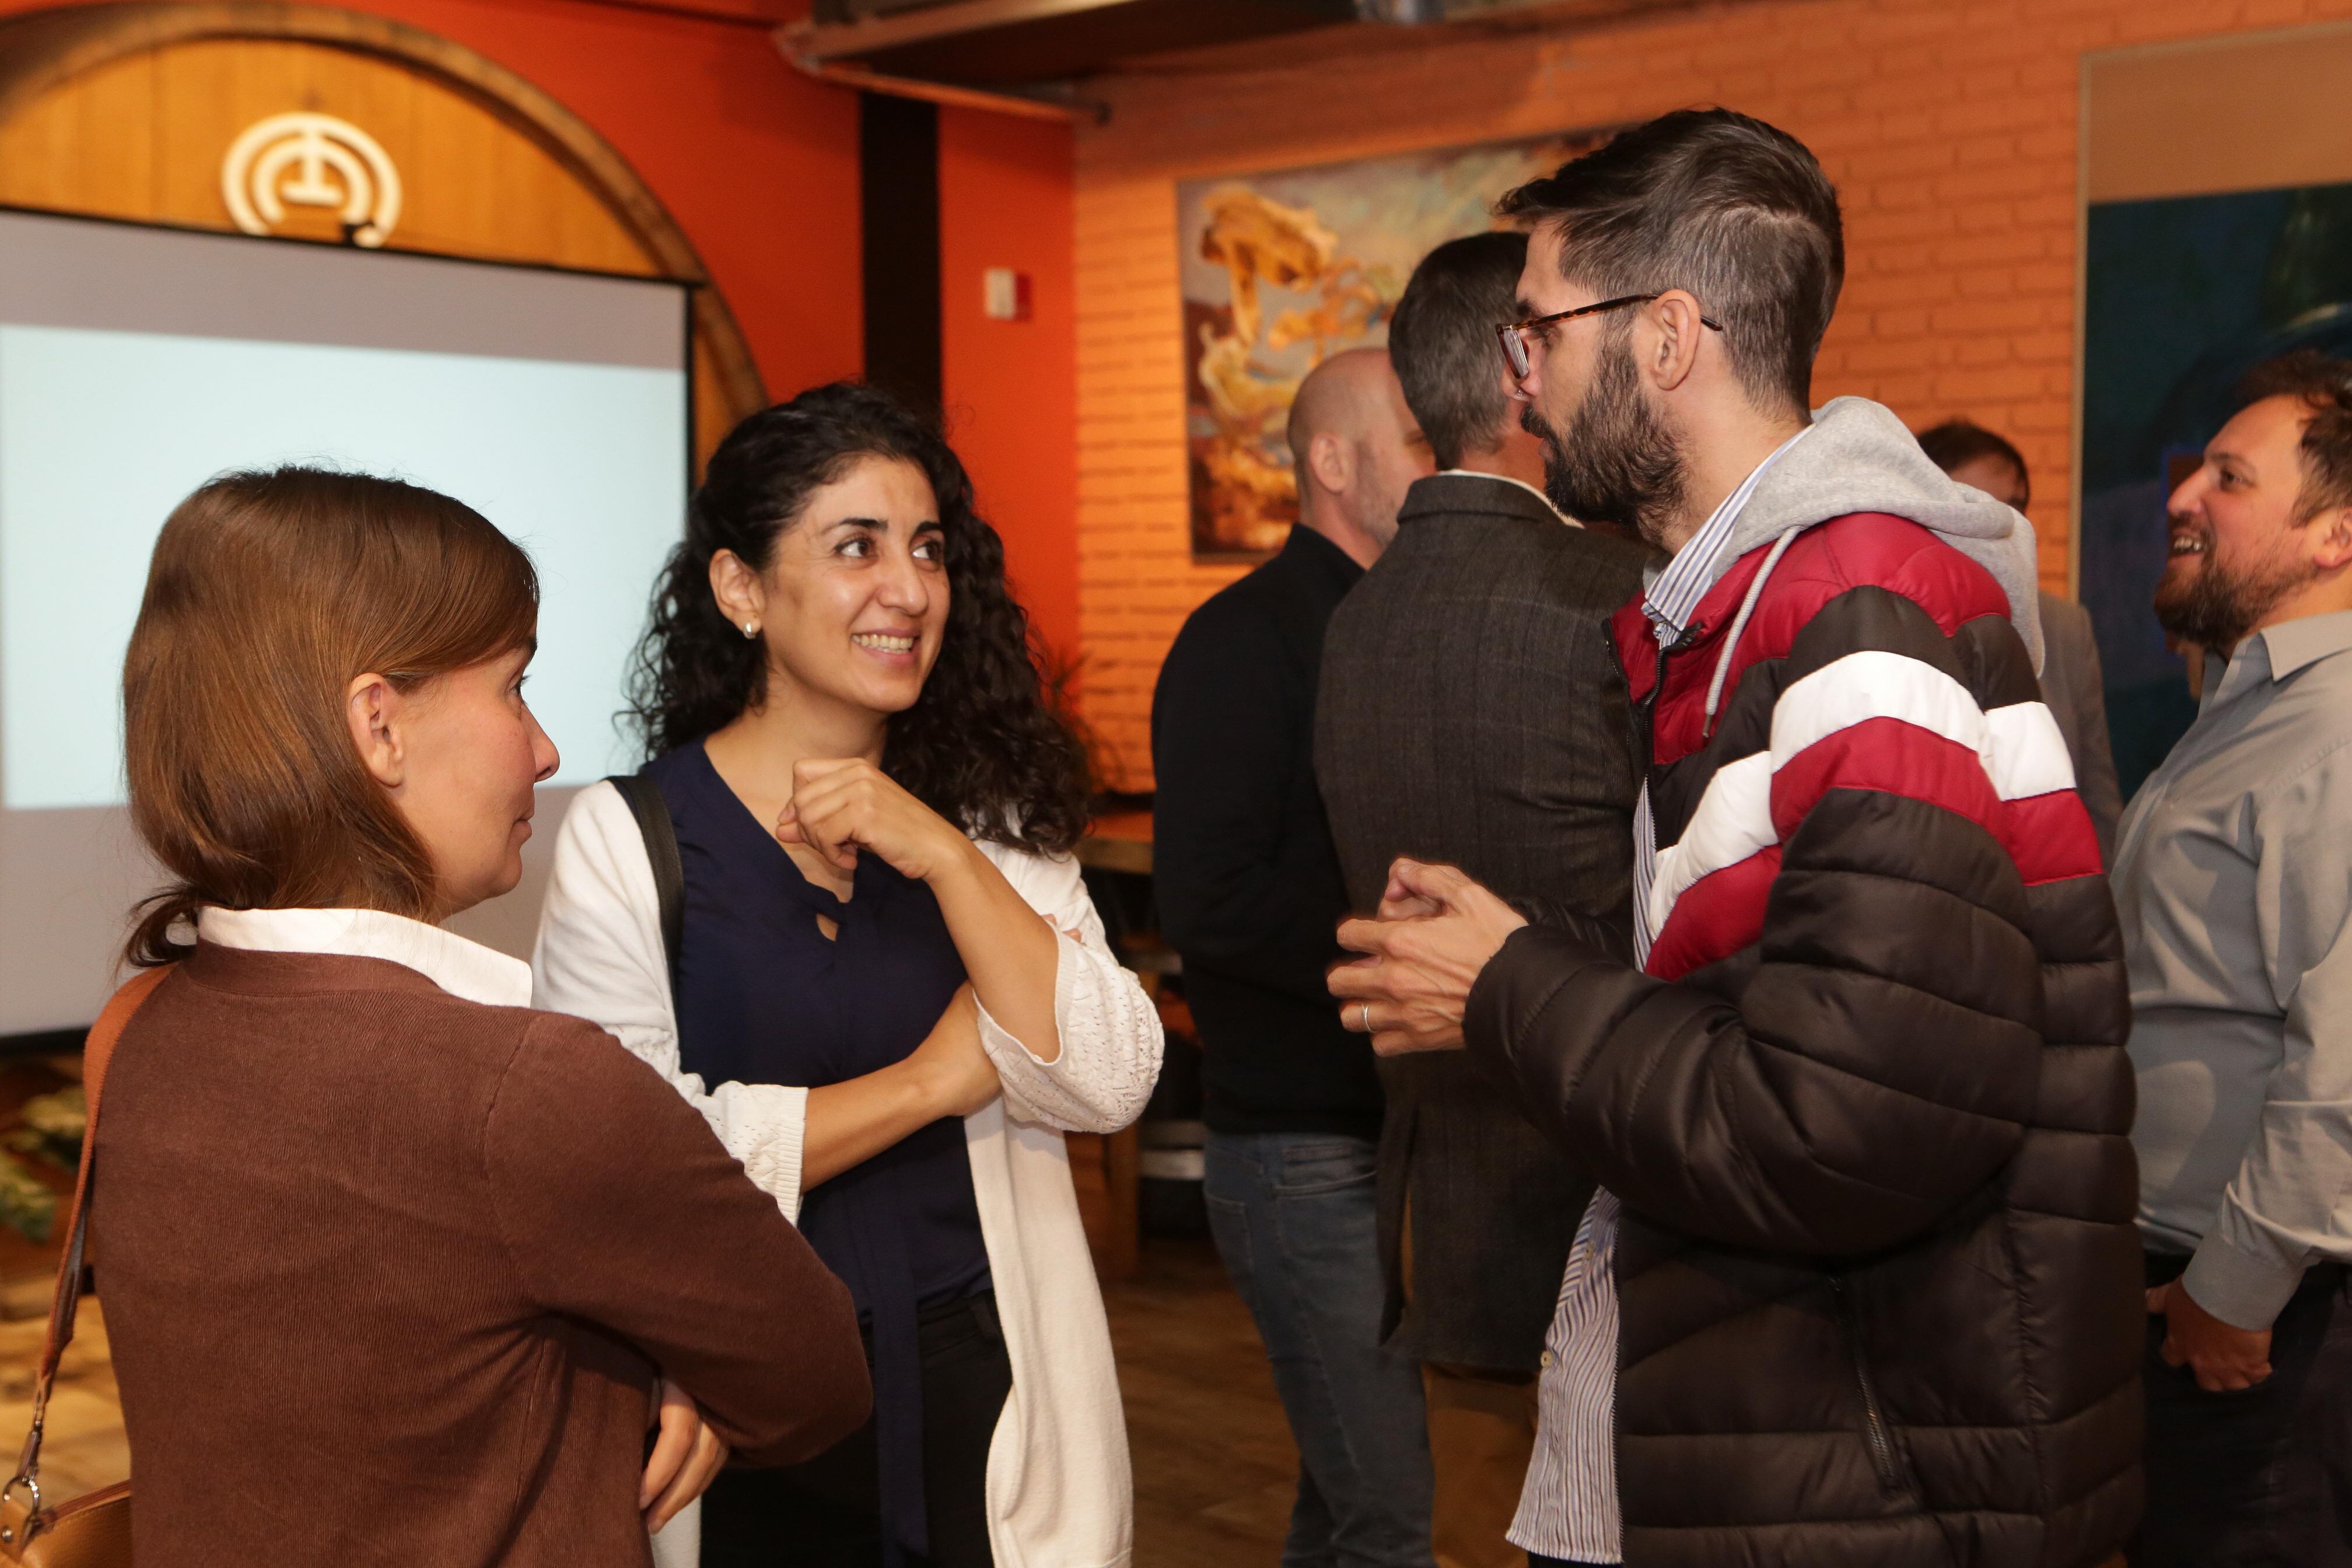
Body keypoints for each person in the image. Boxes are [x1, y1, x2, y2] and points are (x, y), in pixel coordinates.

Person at [1327, 109, 2140, 1567]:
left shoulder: (1851, 621)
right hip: (1834, 1420)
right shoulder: (1756, 606)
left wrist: (1507, 988)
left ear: (1664, 337)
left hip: (1877, 1454)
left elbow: (1845, 1128)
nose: (1526, 389)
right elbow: (1790, 1009)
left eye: (1541, 334)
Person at [93, 467, 869, 1567]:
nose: (544, 747)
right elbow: (812, 1381)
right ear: (379, 726)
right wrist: (661, 1363)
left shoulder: (145, 1030)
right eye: (514, 687)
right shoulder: (523, 1088)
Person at [533, 383, 1161, 1568]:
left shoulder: (986, 815)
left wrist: (941, 853)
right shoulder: (635, 840)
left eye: (927, 549)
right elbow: (620, 1167)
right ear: (741, 591)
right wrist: (930, 1083)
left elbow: (1113, 1079)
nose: (910, 589)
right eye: (854, 547)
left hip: (987, 1380)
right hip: (741, 1404)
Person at [1314, 233, 1656, 1568]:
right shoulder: (1613, 593)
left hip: (1441, 1196)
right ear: (1529, 372)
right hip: (1604, 1193)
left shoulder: (1359, 613)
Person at [1153, 346, 1436, 1568]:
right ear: (1333, 461)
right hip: (1294, 1153)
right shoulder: (1244, 641)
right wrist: (1398, 954)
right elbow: (1207, 905)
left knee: (1345, 1500)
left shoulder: (1399, 625)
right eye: (1416, 440)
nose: (1441, 463)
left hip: (1384, 1137)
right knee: (1390, 1514)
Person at [2112, 349, 2352, 1567]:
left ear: (2336, 536)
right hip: (2187, 1292)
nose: (2180, 498)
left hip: (2268, 1323)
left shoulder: (2340, 726)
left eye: (2230, 477)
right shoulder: (2244, 709)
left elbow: (2344, 1069)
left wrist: (2234, 1296)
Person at [1918, 418, 2126, 862]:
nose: (2001, 532)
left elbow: (2097, 800)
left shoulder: (2063, 627)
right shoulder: (1890, 622)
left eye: (2015, 511)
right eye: (1976, 510)